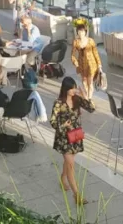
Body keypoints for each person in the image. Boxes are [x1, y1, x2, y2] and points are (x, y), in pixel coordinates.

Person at [50, 76, 95, 206]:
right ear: (65, 89)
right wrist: (63, 125)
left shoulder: (77, 99)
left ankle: (63, 178)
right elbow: (52, 121)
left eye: (74, 87)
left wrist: (85, 96)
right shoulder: (58, 103)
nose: (74, 90)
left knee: (69, 162)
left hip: (75, 135)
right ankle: (77, 195)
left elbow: (91, 109)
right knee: (71, 165)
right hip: (64, 138)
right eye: (71, 88)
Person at [71, 24, 101, 100]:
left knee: (90, 82)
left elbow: (96, 53)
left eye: (82, 31)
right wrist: (75, 62)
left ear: (85, 32)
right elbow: (72, 55)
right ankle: (86, 97)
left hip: (91, 64)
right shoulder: (76, 42)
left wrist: (99, 64)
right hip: (81, 65)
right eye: (79, 31)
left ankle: (89, 98)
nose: (81, 33)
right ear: (77, 32)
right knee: (84, 82)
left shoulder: (91, 41)